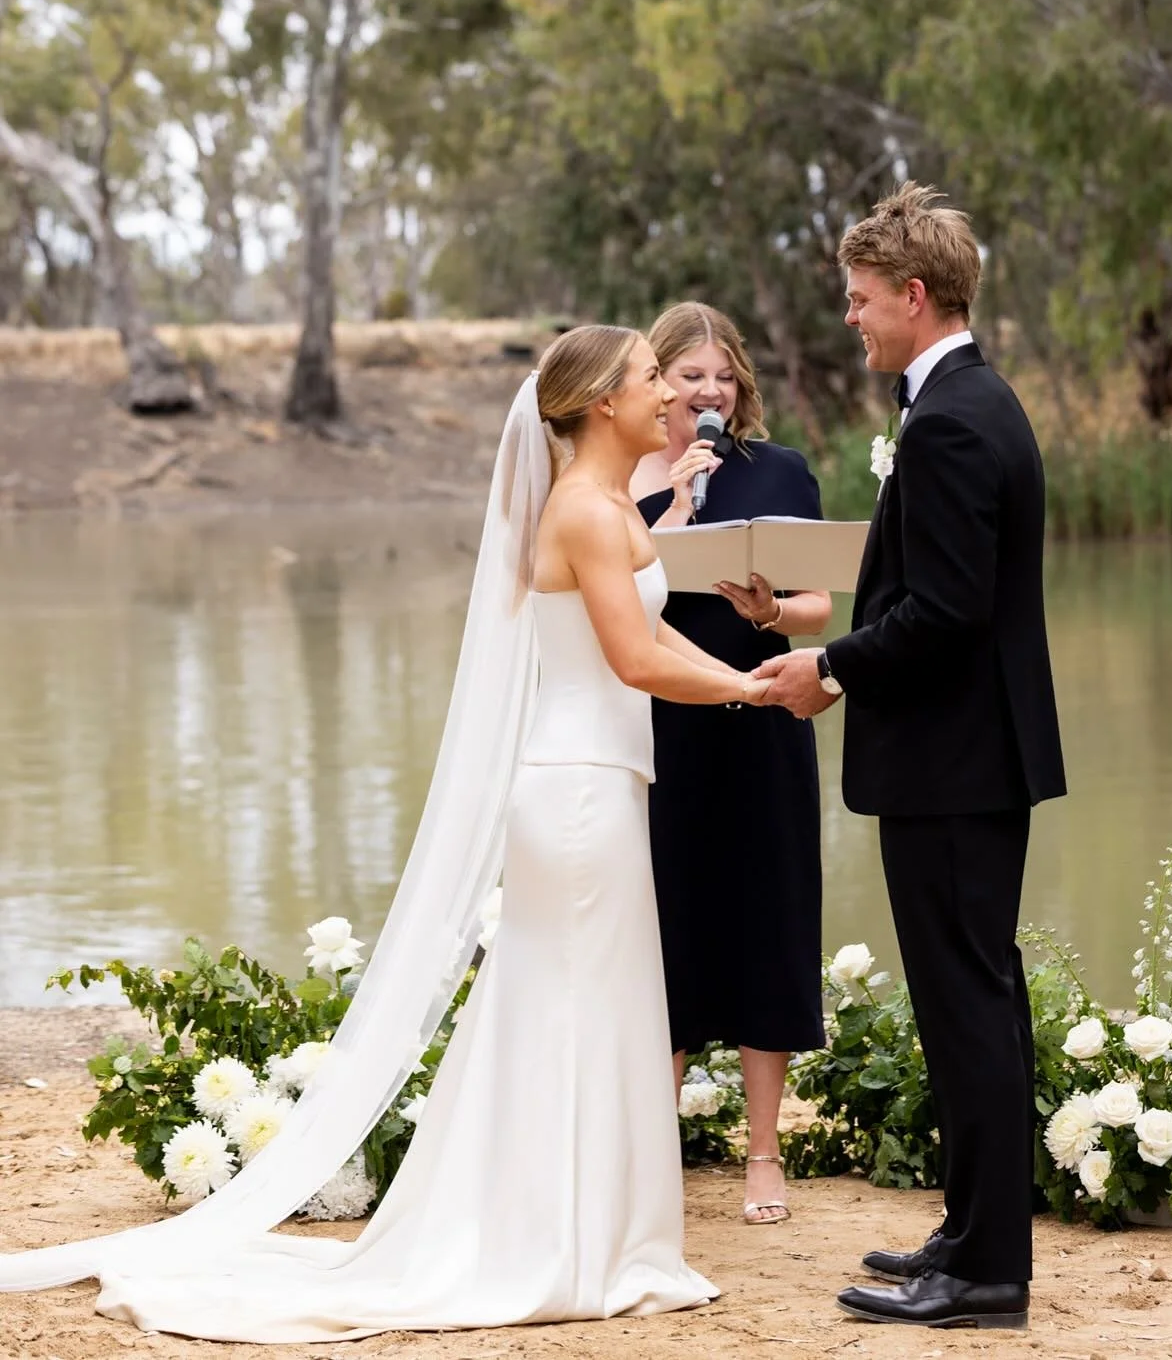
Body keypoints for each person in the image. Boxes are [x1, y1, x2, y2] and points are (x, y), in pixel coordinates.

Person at [0, 326, 773, 1341]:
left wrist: (745, 675)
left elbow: (651, 627)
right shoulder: (584, 510)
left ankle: (600, 1230)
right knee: (569, 1008)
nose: (668, 394)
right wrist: (753, 696)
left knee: (595, 1004)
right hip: (575, 792)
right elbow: (632, 661)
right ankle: (560, 1240)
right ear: (599, 405)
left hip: (606, 783)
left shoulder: (613, 504)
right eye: (646, 380)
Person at [755, 184, 1065, 1333]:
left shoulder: (946, 422)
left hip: (953, 764)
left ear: (914, 296)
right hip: (971, 758)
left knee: (967, 1004)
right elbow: (935, 592)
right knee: (971, 999)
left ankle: (986, 1273)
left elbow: (941, 612)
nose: (852, 319)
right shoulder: (974, 404)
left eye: (861, 299)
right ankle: (973, 1232)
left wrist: (827, 669)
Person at [630, 301, 831, 1226]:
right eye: (689, 376)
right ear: (654, 382)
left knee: (769, 919)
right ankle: (651, 1146)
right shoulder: (619, 487)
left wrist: (769, 613)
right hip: (665, 727)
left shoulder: (781, 470)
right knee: (664, 927)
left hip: (764, 718)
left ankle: (763, 1152)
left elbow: (822, 605)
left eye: (722, 375)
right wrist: (672, 508)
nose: (708, 391)